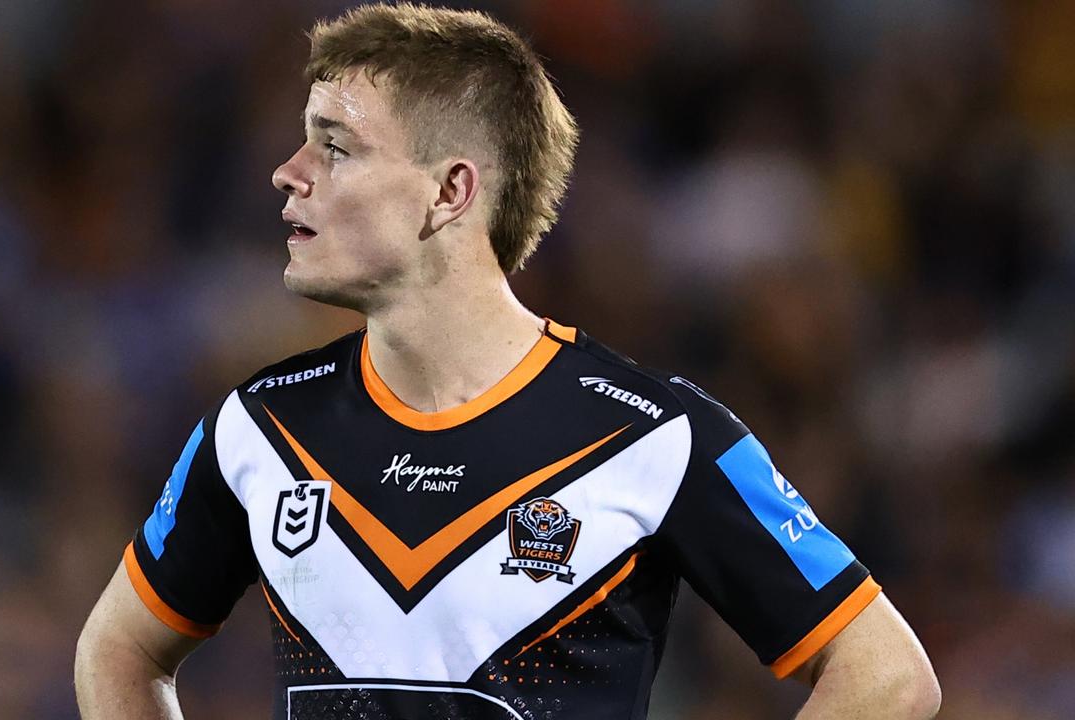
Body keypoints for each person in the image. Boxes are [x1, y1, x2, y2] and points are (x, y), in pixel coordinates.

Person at [74, 4, 941, 718]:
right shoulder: (256, 428)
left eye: (335, 145)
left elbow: (886, 676)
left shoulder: (655, 437)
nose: (286, 173)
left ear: (451, 191)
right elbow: (117, 648)